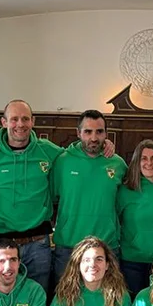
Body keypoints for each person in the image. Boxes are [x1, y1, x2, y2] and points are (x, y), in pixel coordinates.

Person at [0, 100, 65, 294]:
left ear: (33, 121)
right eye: (14, 119)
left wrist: (105, 144)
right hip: (0, 244)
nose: (20, 124)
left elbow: (77, 155)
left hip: (37, 244)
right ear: (4, 122)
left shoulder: (48, 151)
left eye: (25, 119)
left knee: (37, 299)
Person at [51, 110, 127, 283]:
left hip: (107, 247)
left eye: (99, 132)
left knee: (109, 298)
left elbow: (125, 204)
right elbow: (52, 199)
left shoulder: (118, 164)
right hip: (69, 247)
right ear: (78, 133)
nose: (94, 137)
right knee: (65, 298)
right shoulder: (62, 162)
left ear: (106, 134)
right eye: (88, 132)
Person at [116, 140, 153, 297]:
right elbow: (115, 221)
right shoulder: (125, 190)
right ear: (137, 162)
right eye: (144, 158)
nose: (149, 163)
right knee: (135, 305)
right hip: (132, 262)